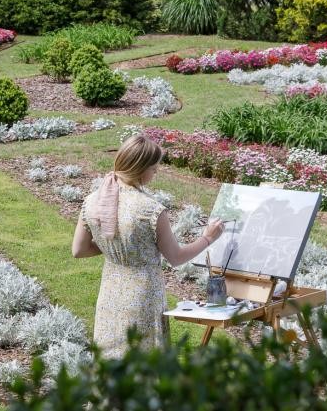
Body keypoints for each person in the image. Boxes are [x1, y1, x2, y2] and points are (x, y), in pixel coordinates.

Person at [71, 133, 225, 358]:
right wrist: (208, 238)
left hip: (110, 293)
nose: (156, 173)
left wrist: (114, 247)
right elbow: (176, 257)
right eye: (154, 168)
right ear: (140, 169)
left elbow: (79, 250)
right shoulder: (150, 209)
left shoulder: (93, 200)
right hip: (142, 294)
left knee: (111, 356)